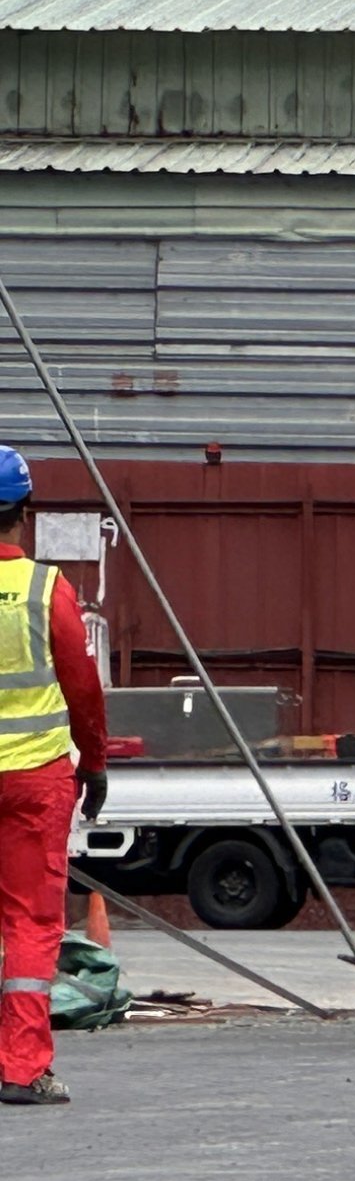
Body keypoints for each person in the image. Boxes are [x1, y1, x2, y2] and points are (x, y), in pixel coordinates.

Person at [0, 445, 109, 1108]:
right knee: (30, 924)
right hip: (36, 784)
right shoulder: (48, 589)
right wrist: (93, 763)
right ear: (26, 511)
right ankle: (21, 1069)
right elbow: (83, 690)